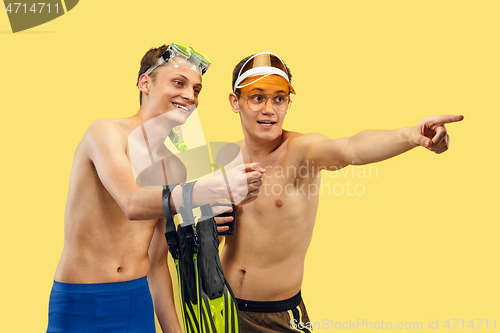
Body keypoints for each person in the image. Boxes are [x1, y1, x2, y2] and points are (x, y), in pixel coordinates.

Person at [217, 52, 464, 332]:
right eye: (257, 97)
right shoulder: (226, 157)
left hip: (276, 316)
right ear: (235, 102)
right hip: (219, 307)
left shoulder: (302, 151)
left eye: (279, 98)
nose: (269, 109)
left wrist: (408, 135)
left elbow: (351, 149)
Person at [46, 43, 264, 333]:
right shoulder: (105, 134)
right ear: (144, 82)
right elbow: (132, 203)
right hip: (81, 302)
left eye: (196, 89)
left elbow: (157, 262)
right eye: (179, 83)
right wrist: (216, 187)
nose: (190, 95)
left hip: (137, 300)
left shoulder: (173, 166)